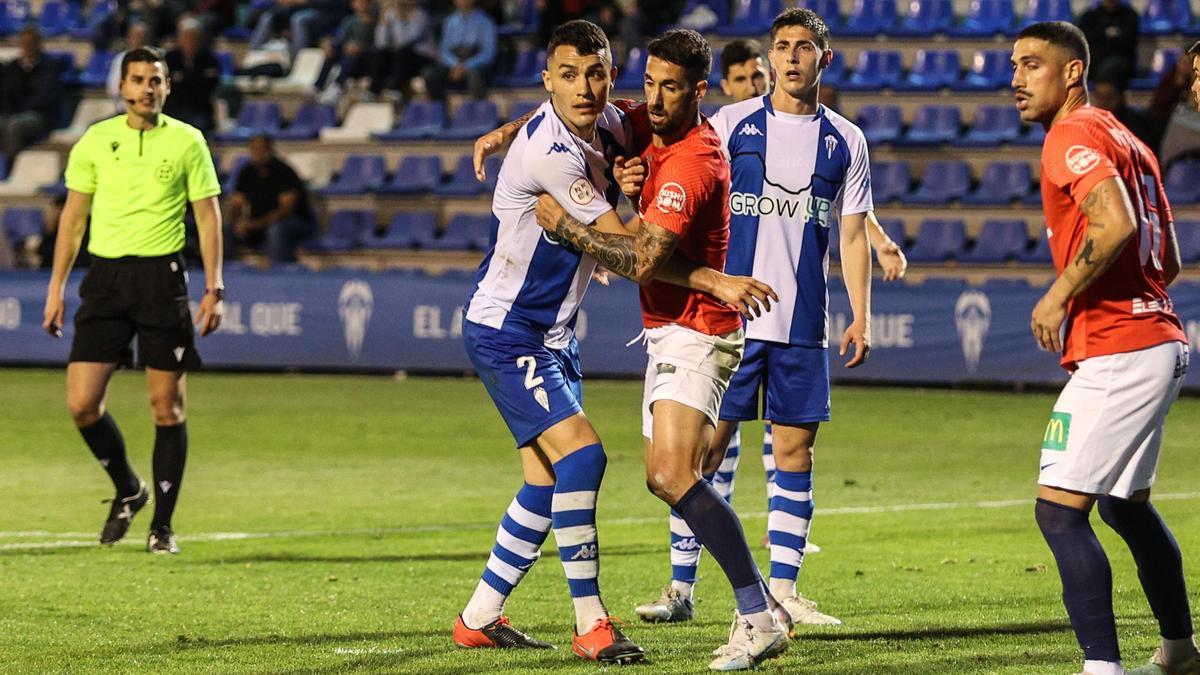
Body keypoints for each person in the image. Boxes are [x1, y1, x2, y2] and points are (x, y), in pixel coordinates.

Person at [454, 20, 773, 666]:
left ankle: (758, 608)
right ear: (547, 79)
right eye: (567, 75)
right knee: (583, 461)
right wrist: (508, 133)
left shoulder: (657, 145)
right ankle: (591, 623)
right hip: (512, 330)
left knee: (620, 475)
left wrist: (568, 225)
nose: (587, 88)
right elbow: (632, 254)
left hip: (653, 330)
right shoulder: (559, 150)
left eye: (596, 74)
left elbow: (637, 258)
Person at [1011, 21, 1198, 675]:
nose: (1015, 79)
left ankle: (1101, 668)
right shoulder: (1130, 140)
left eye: (1032, 64)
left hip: (1121, 349)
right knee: (1123, 504)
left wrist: (1059, 294)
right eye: (1013, 65)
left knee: (1059, 512)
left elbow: (1114, 222)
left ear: (1072, 73)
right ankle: (1178, 649)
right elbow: (1168, 258)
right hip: (1157, 337)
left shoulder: (1072, 133)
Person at [41, 46, 224, 556]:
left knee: (166, 408)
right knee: (82, 404)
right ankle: (129, 488)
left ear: (167, 87)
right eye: (138, 79)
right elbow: (73, 219)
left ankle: (162, 526)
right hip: (104, 279)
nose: (147, 87)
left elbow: (208, 218)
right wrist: (55, 288)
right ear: (122, 86)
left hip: (161, 278)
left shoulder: (188, 141)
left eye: (156, 80)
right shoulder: (97, 141)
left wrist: (215, 287)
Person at [227, 134, 315, 263]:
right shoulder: (246, 172)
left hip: (292, 222)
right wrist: (238, 222)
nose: (257, 153)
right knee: (226, 230)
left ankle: (279, 273)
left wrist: (256, 224)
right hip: (256, 222)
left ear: (269, 150)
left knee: (276, 231)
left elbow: (286, 210)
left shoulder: (284, 172)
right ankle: (224, 274)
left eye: (260, 149)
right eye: (253, 150)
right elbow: (236, 203)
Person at [0, 26, 65, 158]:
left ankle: (10, 164)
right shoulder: (13, 67)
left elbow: (45, 96)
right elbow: (6, 94)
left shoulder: (49, 67)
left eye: (31, 43)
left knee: (14, 126)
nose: (27, 46)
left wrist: (20, 111)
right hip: (13, 113)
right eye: (24, 43)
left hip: (39, 115)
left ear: (38, 44)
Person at [422, 0, 497, 102]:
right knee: (431, 75)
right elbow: (444, 50)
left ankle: (479, 112)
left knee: (475, 76)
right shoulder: (450, 21)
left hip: (476, 62)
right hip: (454, 62)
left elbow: (488, 52)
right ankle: (440, 111)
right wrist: (455, 65)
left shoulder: (486, 21)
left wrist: (466, 66)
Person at [164, 18, 221, 134]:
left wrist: (183, 79)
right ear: (179, 39)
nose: (190, 41)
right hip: (173, 108)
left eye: (193, 37)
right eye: (186, 37)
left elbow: (210, 87)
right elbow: (168, 86)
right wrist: (198, 78)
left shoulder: (210, 60)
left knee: (197, 129)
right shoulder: (169, 59)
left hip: (199, 109)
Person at [1076, 0, 1139, 87]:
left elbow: (1127, 41)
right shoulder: (1089, 16)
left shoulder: (1130, 16)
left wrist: (1100, 36)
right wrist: (1107, 34)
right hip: (1095, 61)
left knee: (1109, 68)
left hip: (1120, 62)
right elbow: (1083, 39)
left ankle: (1108, 97)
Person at [107, 21, 151, 102]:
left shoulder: (155, 60)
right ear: (129, 38)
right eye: (136, 36)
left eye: (143, 37)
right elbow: (112, 90)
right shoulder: (120, 59)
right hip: (125, 108)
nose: (139, 40)